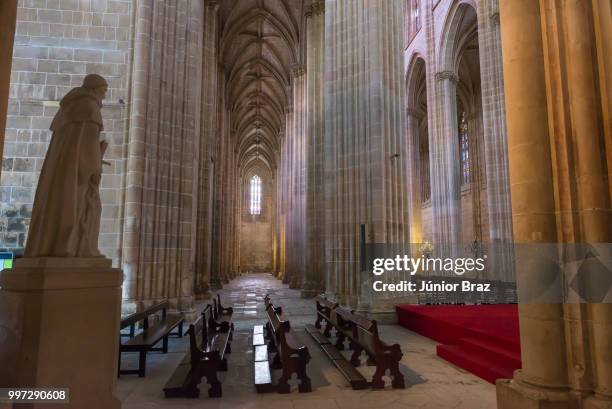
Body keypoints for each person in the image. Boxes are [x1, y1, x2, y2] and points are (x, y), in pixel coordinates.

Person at [25, 74, 109, 257]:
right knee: (81, 207)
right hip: (78, 174)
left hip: (62, 170)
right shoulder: (89, 108)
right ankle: (71, 247)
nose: (104, 96)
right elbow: (87, 145)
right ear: (94, 89)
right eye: (103, 91)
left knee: (60, 205)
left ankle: (55, 246)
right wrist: (95, 165)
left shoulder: (69, 107)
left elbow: (76, 144)